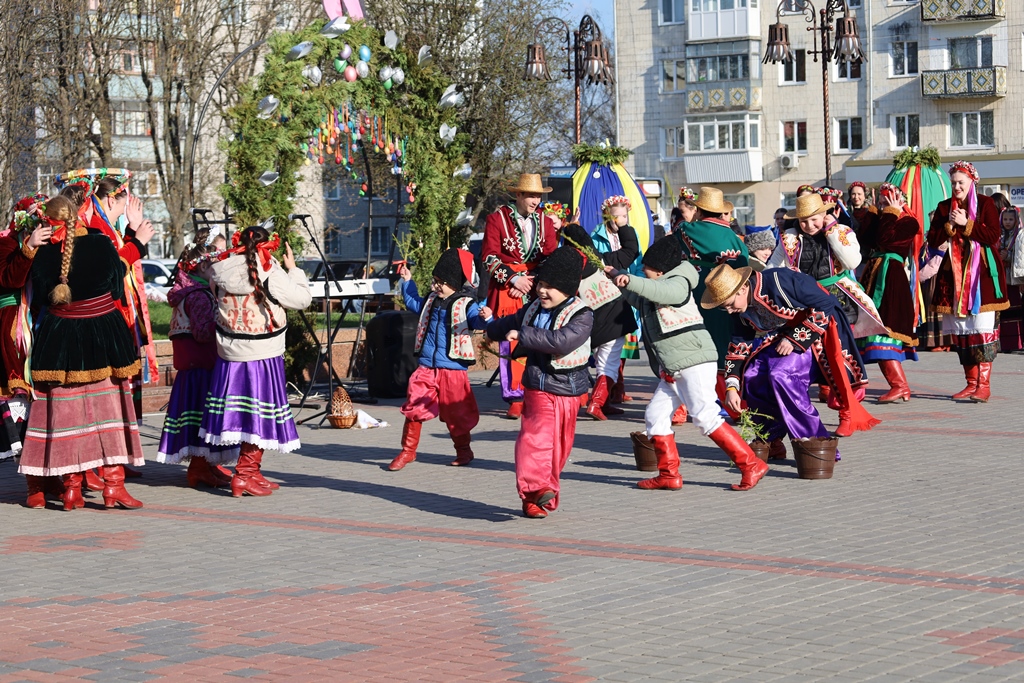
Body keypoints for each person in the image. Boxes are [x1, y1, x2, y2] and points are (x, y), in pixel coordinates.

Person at [610, 237, 768, 492]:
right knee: (655, 416)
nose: (642, 271)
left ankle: (751, 464)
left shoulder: (678, 283)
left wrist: (629, 279)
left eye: (646, 268)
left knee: (705, 416)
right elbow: (640, 298)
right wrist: (614, 276)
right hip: (675, 365)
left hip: (693, 361)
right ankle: (668, 475)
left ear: (659, 270)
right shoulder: (655, 287)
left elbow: (660, 292)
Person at [18, 195, 146, 510]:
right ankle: (114, 487)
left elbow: (40, 297)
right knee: (109, 411)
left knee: (67, 415)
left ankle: (72, 489)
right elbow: (116, 289)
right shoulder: (101, 242)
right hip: (104, 334)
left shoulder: (43, 252)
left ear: (49, 221)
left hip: (60, 338)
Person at [703, 264, 880, 448]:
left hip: (816, 334)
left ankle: (814, 442)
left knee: (782, 375)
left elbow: (826, 304)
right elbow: (739, 344)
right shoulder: (739, 309)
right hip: (781, 339)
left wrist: (795, 338)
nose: (730, 311)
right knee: (753, 376)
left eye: (730, 305)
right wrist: (731, 387)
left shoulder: (782, 280)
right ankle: (770, 439)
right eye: (725, 308)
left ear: (742, 289)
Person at [199, 226, 312, 496]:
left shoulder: (220, 270)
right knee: (259, 415)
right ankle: (244, 474)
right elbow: (302, 300)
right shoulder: (270, 272)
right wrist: (293, 270)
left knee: (242, 415)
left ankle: (252, 470)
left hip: (230, 356)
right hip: (262, 355)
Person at [486, 246, 593, 519]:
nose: (542, 291)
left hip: (568, 391)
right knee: (535, 438)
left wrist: (522, 335)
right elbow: (508, 322)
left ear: (567, 288)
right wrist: (487, 327)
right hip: (537, 386)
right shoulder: (532, 307)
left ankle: (539, 495)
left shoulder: (582, 315)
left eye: (550, 287)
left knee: (557, 450)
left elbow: (561, 341)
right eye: (540, 284)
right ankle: (534, 490)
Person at [388, 248, 492, 471]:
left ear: (454, 283)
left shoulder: (467, 304)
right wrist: (407, 281)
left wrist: (487, 318)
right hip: (426, 366)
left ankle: (463, 450)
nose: (435, 286)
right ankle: (408, 451)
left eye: (440, 282)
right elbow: (414, 303)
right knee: (414, 406)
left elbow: (476, 321)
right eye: (435, 280)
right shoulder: (431, 300)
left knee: (457, 414)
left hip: (453, 368)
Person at [156, 234, 236, 487]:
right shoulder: (199, 295)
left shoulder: (189, 291)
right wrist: (225, 322)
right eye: (215, 266)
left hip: (193, 367)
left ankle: (204, 465)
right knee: (203, 418)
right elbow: (202, 333)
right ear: (202, 267)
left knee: (197, 418)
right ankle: (199, 468)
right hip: (202, 367)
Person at [927, 161, 1009, 402]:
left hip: (982, 276)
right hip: (953, 278)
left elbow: (993, 235)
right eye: (953, 183)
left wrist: (967, 224)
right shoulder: (944, 207)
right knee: (962, 334)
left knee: (981, 331)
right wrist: (950, 226)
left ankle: (984, 385)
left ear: (972, 182)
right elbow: (933, 240)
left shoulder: (985, 204)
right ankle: (971, 383)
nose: (956, 187)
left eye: (960, 183)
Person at [481, 173, 558, 419]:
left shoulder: (546, 222)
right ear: (519, 195)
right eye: (531, 196)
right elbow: (489, 257)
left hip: (536, 286)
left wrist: (529, 281)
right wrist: (514, 279)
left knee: (537, 337)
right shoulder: (497, 219)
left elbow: (551, 258)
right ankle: (514, 396)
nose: (536, 201)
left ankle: (535, 391)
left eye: (539, 196)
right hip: (507, 287)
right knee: (510, 339)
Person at [671, 186, 749, 413]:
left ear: (699, 210)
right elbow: (744, 263)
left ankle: (684, 406)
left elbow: (672, 252)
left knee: (693, 345)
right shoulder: (734, 236)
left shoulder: (686, 229)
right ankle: (734, 405)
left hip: (695, 291)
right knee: (724, 343)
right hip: (726, 293)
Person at [561, 223, 637, 420]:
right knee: (608, 364)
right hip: (615, 318)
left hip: (589, 322)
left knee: (596, 362)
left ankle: (604, 403)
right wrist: (623, 226)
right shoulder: (602, 259)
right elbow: (631, 250)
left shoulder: (565, 268)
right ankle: (596, 404)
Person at [857, 183, 922, 403]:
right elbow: (865, 239)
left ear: (901, 201)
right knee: (875, 330)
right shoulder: (884, 217)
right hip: (873, 276)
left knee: (886, 330)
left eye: (889, 201)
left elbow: (886, 239)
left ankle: (900, 386)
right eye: (882, 201)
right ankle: (898, 386)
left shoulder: (909, 222)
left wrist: (892, 212)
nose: (885, 206)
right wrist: (873, 211)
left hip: (891, 280)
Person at [586, 196, 641, 420]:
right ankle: (599, 401)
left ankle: (608, 398)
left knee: (616, 351)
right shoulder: (596, 237)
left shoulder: (631, 234)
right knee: (607, 351)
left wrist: (637, 285)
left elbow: (638, 262)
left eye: (624, 216)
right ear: (607, 216)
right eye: (617, 216)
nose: (621, 220)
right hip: (604, 296)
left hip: (627, 294)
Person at [997, 206, 1024, 353]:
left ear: (1016, 220)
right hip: (1001, 279)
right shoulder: (999, 235)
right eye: (1005, 219)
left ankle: (1015, 342)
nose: (1007, 222)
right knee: (1003, 312)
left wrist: (1007, 256)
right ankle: (1004, 343)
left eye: (1011, 219)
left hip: (1013, 280)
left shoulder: (1019, 236)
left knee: (1015, 311)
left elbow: (1020, 256)